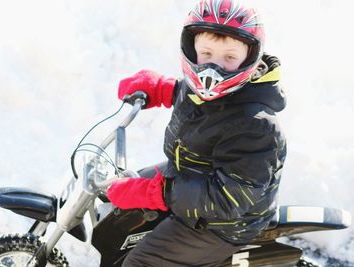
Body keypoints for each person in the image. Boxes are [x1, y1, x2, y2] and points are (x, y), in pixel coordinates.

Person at [107, 0, 286, 266]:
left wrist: (160, 192)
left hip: (224, 222)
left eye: (229, 58)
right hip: (190, 173)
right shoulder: (210, 88)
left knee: (140, 263)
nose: (213, 69)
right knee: (119, 191)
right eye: (206, 54)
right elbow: (203, 101)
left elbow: (226, 200)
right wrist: (164, 89)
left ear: (250, 59)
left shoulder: (256, 126)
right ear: (191, 50)